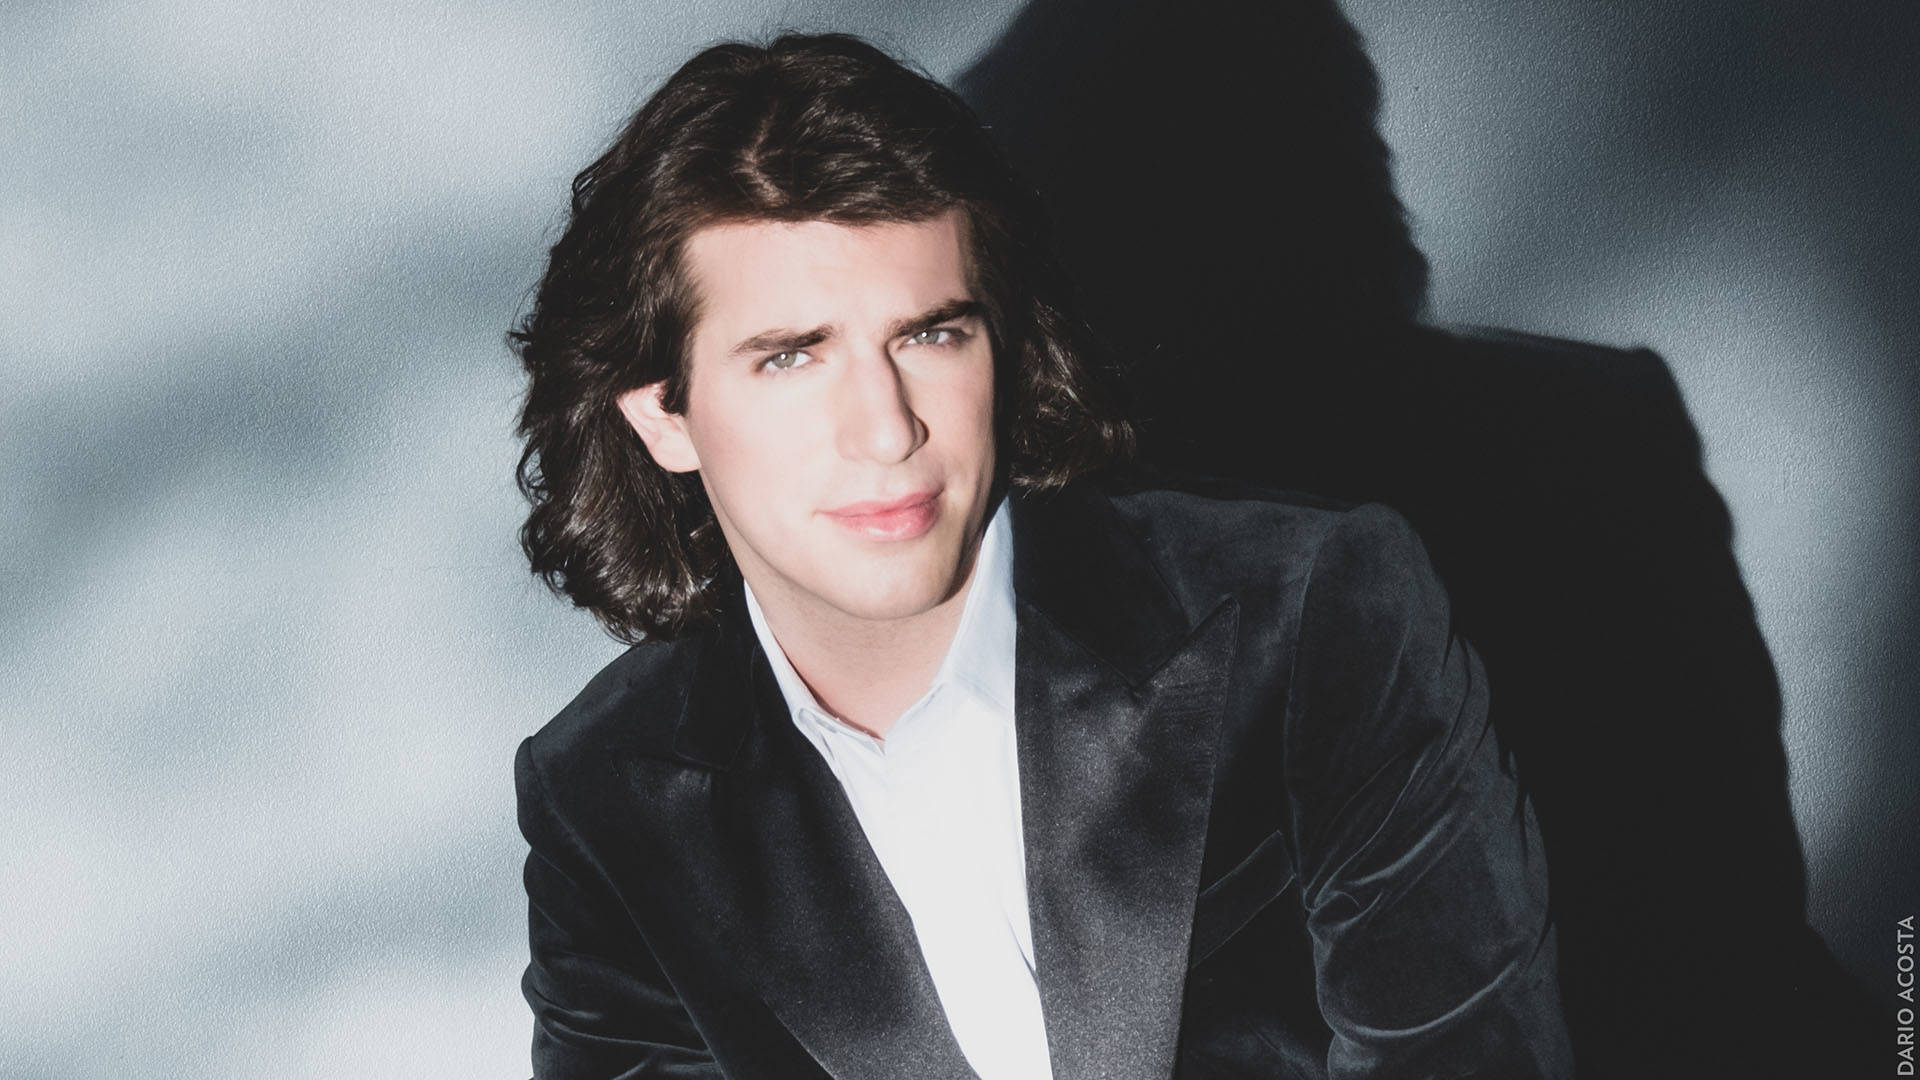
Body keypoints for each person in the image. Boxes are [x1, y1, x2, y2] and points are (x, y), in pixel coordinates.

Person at [510, 32, 1572, 1079]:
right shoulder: (606, 797)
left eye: (931, 334)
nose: (887, 430)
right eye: (792, 357)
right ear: (663, 416)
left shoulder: (1320, 615)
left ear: (1003, 345)